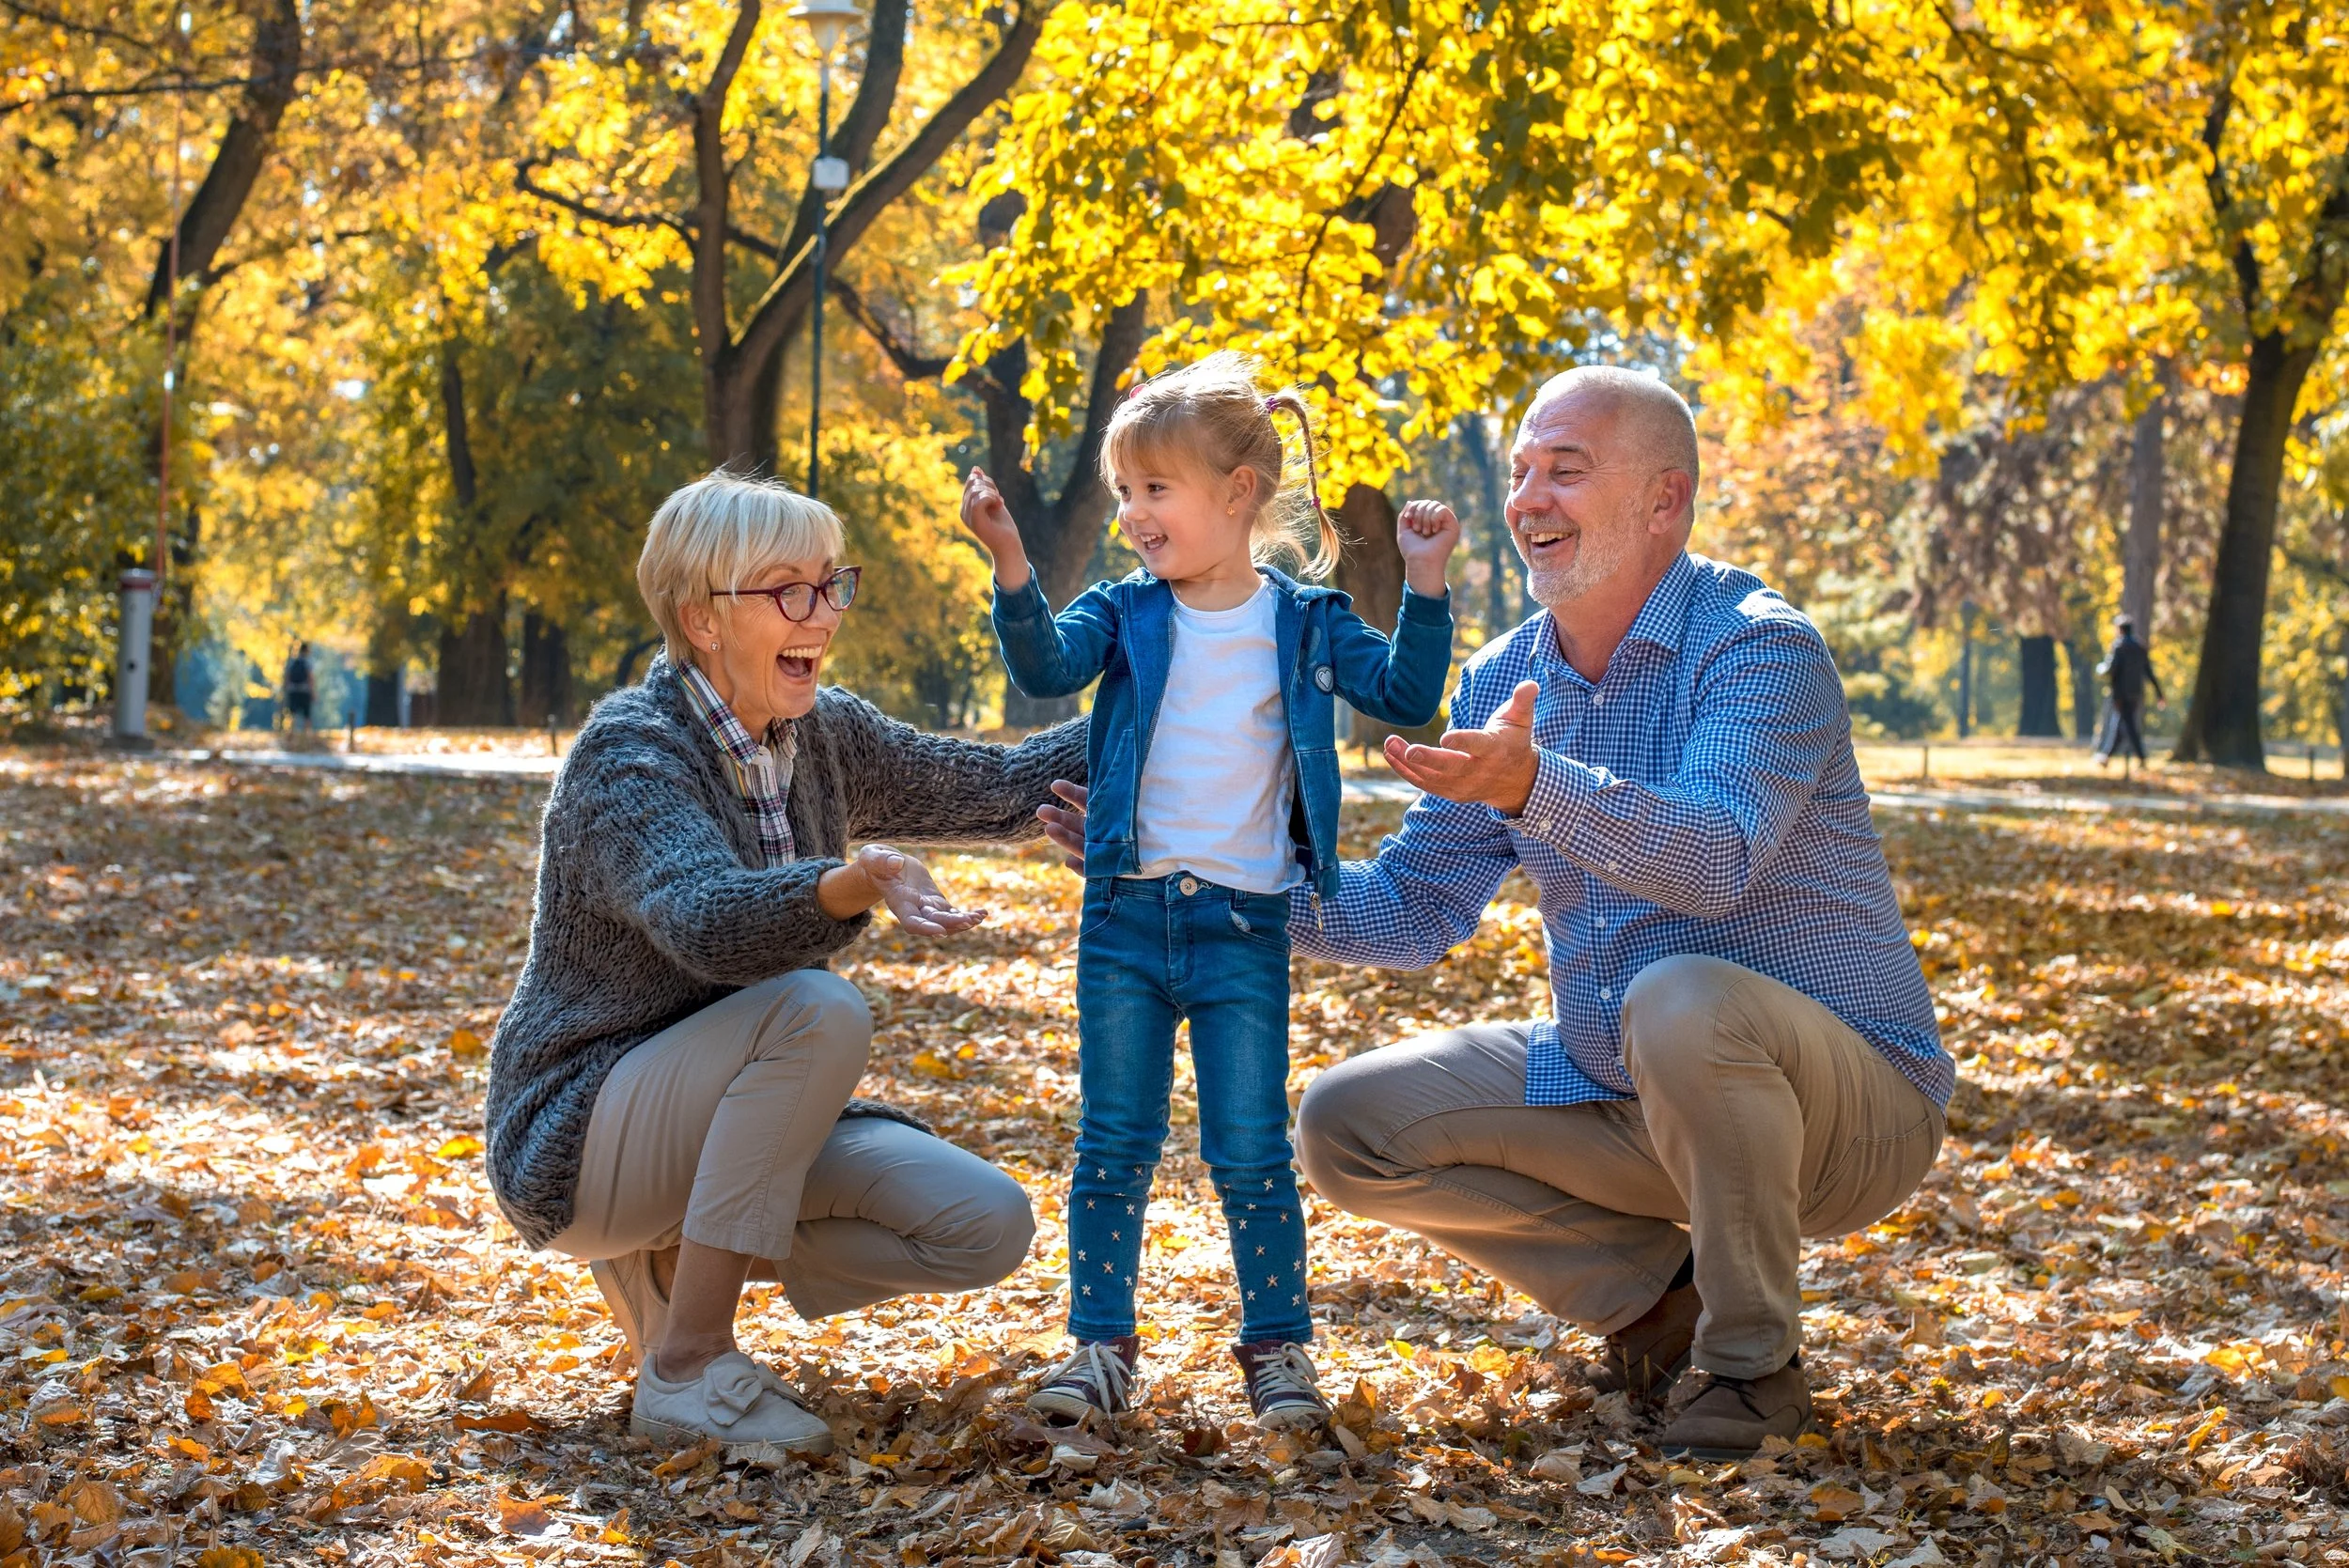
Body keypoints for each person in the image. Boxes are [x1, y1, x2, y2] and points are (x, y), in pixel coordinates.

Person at [1036, 366, 1951, 1461]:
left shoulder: (1758, 647)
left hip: (1848, 1110)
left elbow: (1713, 861)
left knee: (1683, 996)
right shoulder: (1506, 675)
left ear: (1664, 500)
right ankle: (1659, 1307)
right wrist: (1203, 867)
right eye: (1521, 471)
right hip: (1632, 1086)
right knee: (1344, 1125)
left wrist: (1534, 784)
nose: (1527, 498)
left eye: (1565, 471)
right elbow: (1416, 906)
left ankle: (1751, 1367)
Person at [486, 471, 1086, 1459]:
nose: (821, 614)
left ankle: (674, 1258)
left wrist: (1174, 691)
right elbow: (704, 921)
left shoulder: (824, 734)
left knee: (985, 1224)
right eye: (786, 591)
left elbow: (1001, 786)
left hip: (721, 1117)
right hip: (579, 1135)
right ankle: (688, 1362)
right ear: (702, 618)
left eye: (828, 584)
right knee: (816, 1008)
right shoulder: (630, 753)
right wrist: (852, 882)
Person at [959, 351, 1460, 1431]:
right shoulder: (1125, 611)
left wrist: (1424, 582)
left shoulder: (1309, 622)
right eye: (1125, 492)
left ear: (1238, 493)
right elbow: (1045, 668)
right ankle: (1099, 1350)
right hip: (1125, 919)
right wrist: (1009, 562)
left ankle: (1278, 1354)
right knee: (1113, 1144)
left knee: (1249, 1151)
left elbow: (1410, 694)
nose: (1134, 514)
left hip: (1244, 926)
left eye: (1156, 489)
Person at [2096, 613, 2161, 770]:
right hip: (2135, 693)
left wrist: (2101, 669)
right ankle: (2108, 756)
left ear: (2120, 630)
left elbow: (2112, 668)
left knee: (2126, 725)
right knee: (2121, 723)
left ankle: (2138, 757)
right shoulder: (2140, 647)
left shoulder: (2119, 646)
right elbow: (2148, 671)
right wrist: (2159, 693)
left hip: (2120, 694)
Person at [281, 642, 315, 732]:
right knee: (307, 715)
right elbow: (310, 677)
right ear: (307, 650)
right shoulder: (308, 662)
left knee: (293, 714)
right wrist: (312, 692)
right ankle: (306, 735)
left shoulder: (293, 662)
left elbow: (287, 676)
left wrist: (286, 689)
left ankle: (291, 733)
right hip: (305, 690)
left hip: (293, 690)